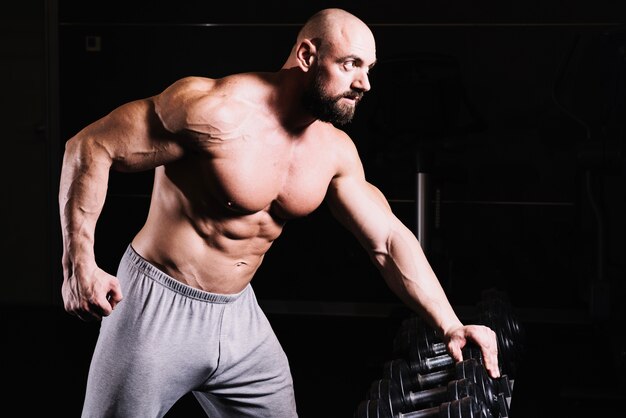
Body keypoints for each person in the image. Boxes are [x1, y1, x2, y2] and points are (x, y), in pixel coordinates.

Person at [59, 7, 500, 418]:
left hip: (239, 317)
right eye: (351, 64)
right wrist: (79, 265)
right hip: (156, 307)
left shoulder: (334, 151)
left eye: (369, 69)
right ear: (308, 54)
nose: (365, 83)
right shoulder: (215, 109)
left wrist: (450, 325)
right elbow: (90, 146)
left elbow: (386, 239)